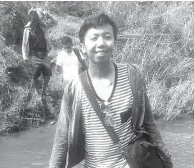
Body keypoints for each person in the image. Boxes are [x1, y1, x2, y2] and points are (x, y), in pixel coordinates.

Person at [49, 13, 173, 168]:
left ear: (114, 42)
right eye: (93, 38)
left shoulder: (132, 76)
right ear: (83, 47)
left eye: (107, 37)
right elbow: (62, 140)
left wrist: (167, 162)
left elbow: (149, 125)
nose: (101, 43)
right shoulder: (74, 88)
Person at [22, 7, 57, 96]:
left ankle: (45, 90)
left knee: (48, 74)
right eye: (32, 15)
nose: (34, 17)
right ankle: (37, 91)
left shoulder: (43, 26)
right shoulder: (27, 29)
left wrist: (48, 15)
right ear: (30, 17)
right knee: (35, 75)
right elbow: (24, 44)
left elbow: (55, 22)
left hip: (44, 54)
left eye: (36, 15)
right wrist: (25, 57)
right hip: (34, 54)